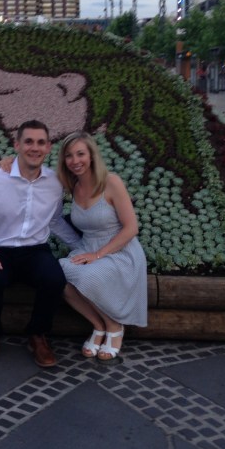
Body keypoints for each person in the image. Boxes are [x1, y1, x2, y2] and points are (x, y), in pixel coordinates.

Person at [0, 119, 82, 369]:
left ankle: (37, 335)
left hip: (35, 251)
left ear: (48, 148)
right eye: (29, 142)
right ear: (17, 145)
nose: (35, 148)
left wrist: (81, 246)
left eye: (41, 142)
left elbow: (54, 220)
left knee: (54, 280)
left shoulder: (55, 182)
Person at [55, 132, 148, 361]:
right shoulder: (73, 186)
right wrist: (9, 162)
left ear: (92, 156)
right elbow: (34, 174)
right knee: (55, 276)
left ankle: (115, 326)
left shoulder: (111, 182)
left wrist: (98, 255)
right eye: (69, 155)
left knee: (86, 277)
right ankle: (98, 325)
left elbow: (131, 228)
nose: (75, 160)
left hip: (119, 251)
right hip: (88, 248)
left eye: (80, 154)